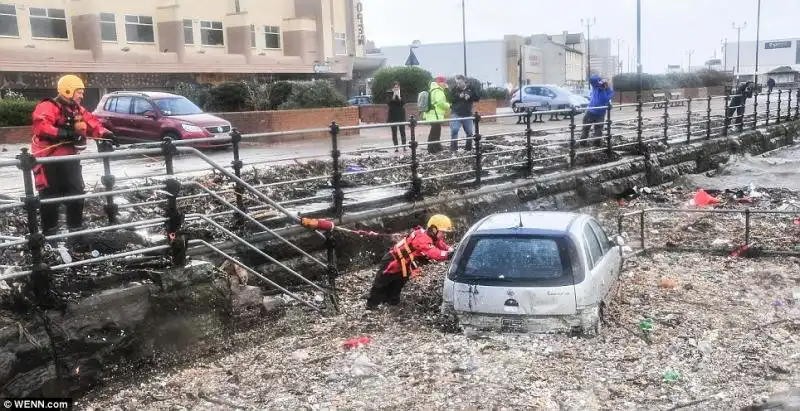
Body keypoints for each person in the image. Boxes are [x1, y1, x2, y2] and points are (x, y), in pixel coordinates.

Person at [31, 74, 117, 240]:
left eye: (82, 92)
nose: (81, 95)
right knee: (50, 198)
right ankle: (50, 235)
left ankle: (75, 232)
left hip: (69, 159)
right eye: (79, 92)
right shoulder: (48, 106)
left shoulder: (77, 110)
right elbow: (41, 125)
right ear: (68, 90)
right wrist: (65, 134)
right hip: (49, 160)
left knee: (76, 194)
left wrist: (107, 134)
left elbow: (92, 123)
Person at [366, 214, 455, 310]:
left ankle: (391, 301)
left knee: (399, 282)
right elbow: (433, 253)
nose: (444, 235)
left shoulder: (431, 236)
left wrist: (450, 249)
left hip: (405, 263)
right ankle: (372, 305)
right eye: (443, 232)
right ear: (434, 229)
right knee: (381, 282)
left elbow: (440, 244)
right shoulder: (422, 239)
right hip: (392, 261)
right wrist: (448, 255)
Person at [448, 75, 480, 151]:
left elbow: (477, 98)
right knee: (454, 130)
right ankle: (454, 149)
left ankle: (468, 148)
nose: (458, 85)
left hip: (467, 113)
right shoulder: (454, 89)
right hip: (456, 113)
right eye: (457, 83)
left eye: (459, 83)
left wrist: (470, 97)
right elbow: (450, 99)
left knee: (469, 132)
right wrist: (459, 96)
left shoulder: (471, 88)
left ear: (464, 81)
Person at [581, 75, 614, 146]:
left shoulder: (609, 91)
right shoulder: (595, 86)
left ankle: (596, 147)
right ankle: (582, 145)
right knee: (585, 130)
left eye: (607, 81)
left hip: (600, 114)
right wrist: (600, 80)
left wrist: (605, 88)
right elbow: (591, 79)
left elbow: (606, 98)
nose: (604, 83)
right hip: (590, 112)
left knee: (598, 132)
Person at [422, 76, 450, 154]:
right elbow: (440, 102)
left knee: (434, 132)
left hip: (431, 114)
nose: (445, 84)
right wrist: (448, 105)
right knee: (435, 132)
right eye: (443, 82)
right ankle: (433, 149)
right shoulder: (438, 91)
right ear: (440, 83)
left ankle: (434, 148)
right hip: (435, 114)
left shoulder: (432, 89)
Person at [386, 82, 407, 152]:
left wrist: (399, 97)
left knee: (402, 131)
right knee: (394, 132)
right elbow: (389, 103)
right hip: (393, 115)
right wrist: (394, 97)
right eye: (395, 87)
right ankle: (396, 147)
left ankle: (404, 146)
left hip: (401, 114)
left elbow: (404, 102)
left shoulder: (402, 94)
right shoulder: (390, 94)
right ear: (392, 88)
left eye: (397, 87)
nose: (396, 88)